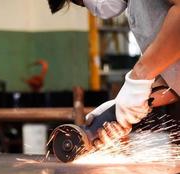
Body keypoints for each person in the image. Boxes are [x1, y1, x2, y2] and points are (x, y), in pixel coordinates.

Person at [48, 0, 180, 144]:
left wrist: (140, 75)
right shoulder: (138, 8)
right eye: (82, 5)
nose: (92, 8)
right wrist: (121, 108)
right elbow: (174, 77)